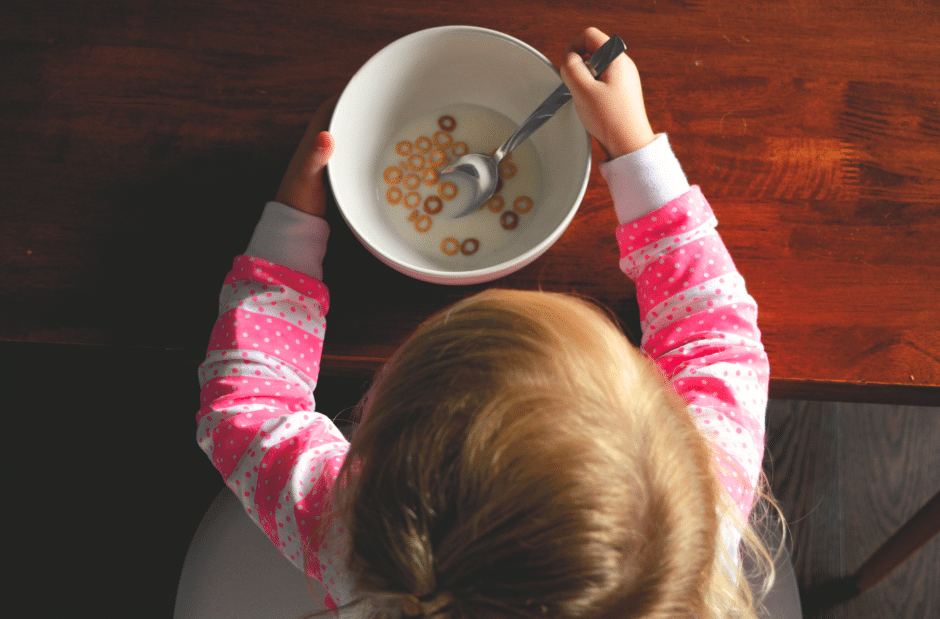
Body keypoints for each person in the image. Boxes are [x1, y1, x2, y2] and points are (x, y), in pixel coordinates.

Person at [197, 27, 789, 619]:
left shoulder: (350, 536)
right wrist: (634, 147)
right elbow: (715, 335)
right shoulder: (701, 514)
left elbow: (246, 405)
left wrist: (294, 220)